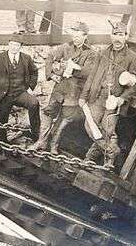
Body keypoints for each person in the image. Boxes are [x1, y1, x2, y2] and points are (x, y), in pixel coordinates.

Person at [79, 21, 136, 169]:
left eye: (121, 35)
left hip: (113, 101)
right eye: (115, 35)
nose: (117, 39)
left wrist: (121, 99)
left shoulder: (133, 57)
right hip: (97, 96)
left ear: (126, 36)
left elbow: (135, 84)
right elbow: (92, 75)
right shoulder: (103, 52)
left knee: (107, 130)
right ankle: (112, 151)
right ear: (111, 36)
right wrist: (83, 96)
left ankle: (97, 159)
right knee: (90, 125)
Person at [31, 21, 96, 153]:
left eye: (78, 36)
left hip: (74, 91)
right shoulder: (66, 47)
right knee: (48, 112)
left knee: (65, 119)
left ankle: (54, 144)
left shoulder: (91, 53)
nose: (75, 38)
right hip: (60, 88)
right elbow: (50, 56)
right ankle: (41, 142)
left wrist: (72, 69)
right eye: (74, 35)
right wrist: (51, 74)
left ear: (85, 36)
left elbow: (89, 72)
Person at [0, 34, 40, 143]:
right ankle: (2, 142)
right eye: (12, 44)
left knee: (34, 103)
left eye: (17, 45)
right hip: (4, 95)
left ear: (21, 46)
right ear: (8, 44)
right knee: (1, 118)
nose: (14, 47)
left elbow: (34, 72)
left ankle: (35, 134)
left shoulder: (26, 58)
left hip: (20, 93)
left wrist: (30, 88)